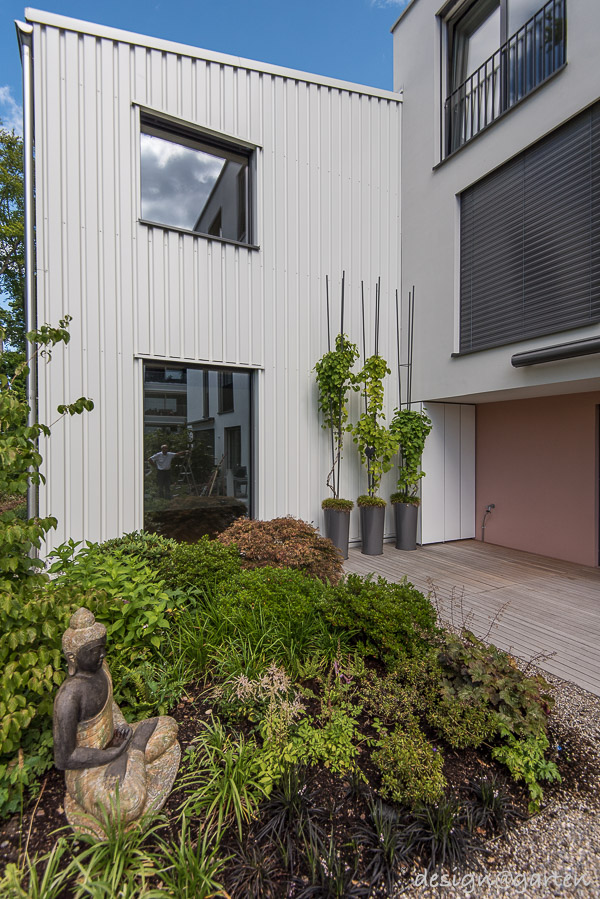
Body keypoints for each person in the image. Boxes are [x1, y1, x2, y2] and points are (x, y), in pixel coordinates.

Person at [53, 608, 180, 838]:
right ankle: (137, 754)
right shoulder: (68, 696)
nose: (102, 654)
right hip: (86, 767)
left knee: (168, 725)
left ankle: (133, 753)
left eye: (103, 647)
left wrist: (122, 739)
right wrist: (110, 755)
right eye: (94, 650)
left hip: (116, 743)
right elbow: (64, 758)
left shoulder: (102, 670)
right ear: (73, 657)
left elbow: (111, 710)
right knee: (127, 805)